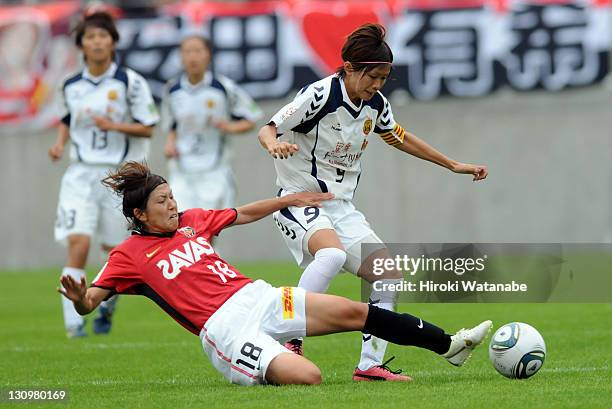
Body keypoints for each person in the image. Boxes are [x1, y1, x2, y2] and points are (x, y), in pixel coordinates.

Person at [58, 161, 492, 386]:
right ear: (140, 213)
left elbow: (243, 212)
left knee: (354, 311)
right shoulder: (129, 255)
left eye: (172, 198)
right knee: (310, 377)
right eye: (162, 202)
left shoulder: (191, 220)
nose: (172, 206)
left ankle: (449, 345)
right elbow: (92, 300)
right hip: (225, 329)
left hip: (258, 296)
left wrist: (289, 200)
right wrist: (79, 298)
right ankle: (263, 360)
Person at [257, 23, 489, 381]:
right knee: (331, 255)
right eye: (373, 77)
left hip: (340, 207)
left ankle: (369, 365)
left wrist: (453, 164)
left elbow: (398, 137)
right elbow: (268, 127)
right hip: (298, 199)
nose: (378, 85)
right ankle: (290, 339)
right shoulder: (319, 96)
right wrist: (273, 144)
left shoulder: (375, 104)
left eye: (384, 78)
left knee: (387, 275)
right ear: (350, 67)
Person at [48, 12, 159, 338]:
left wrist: (115, 126)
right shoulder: (69, 85)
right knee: (79, 244)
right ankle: (72, 324)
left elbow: (148, 127)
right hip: (80, 175)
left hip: (117, 179)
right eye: (90, 37)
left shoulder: (129, 82)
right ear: (81, 44)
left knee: (114, 252)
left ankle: (107, 304)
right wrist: (59, 144)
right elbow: (66, 119)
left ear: (112, 42)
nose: (96, 42)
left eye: (103, 36)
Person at [161, 34, 262, 212]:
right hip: (182, 170)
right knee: (182, 225)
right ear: (181, 57)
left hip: (215, 169)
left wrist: (228, 126)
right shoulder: (172, 90)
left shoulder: (223, 87)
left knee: (208, 227)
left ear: (208, 55)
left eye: (198, 51)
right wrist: (170, 144)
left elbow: (251, 119)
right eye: (187, 52)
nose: (193, 57)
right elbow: (172, 125)